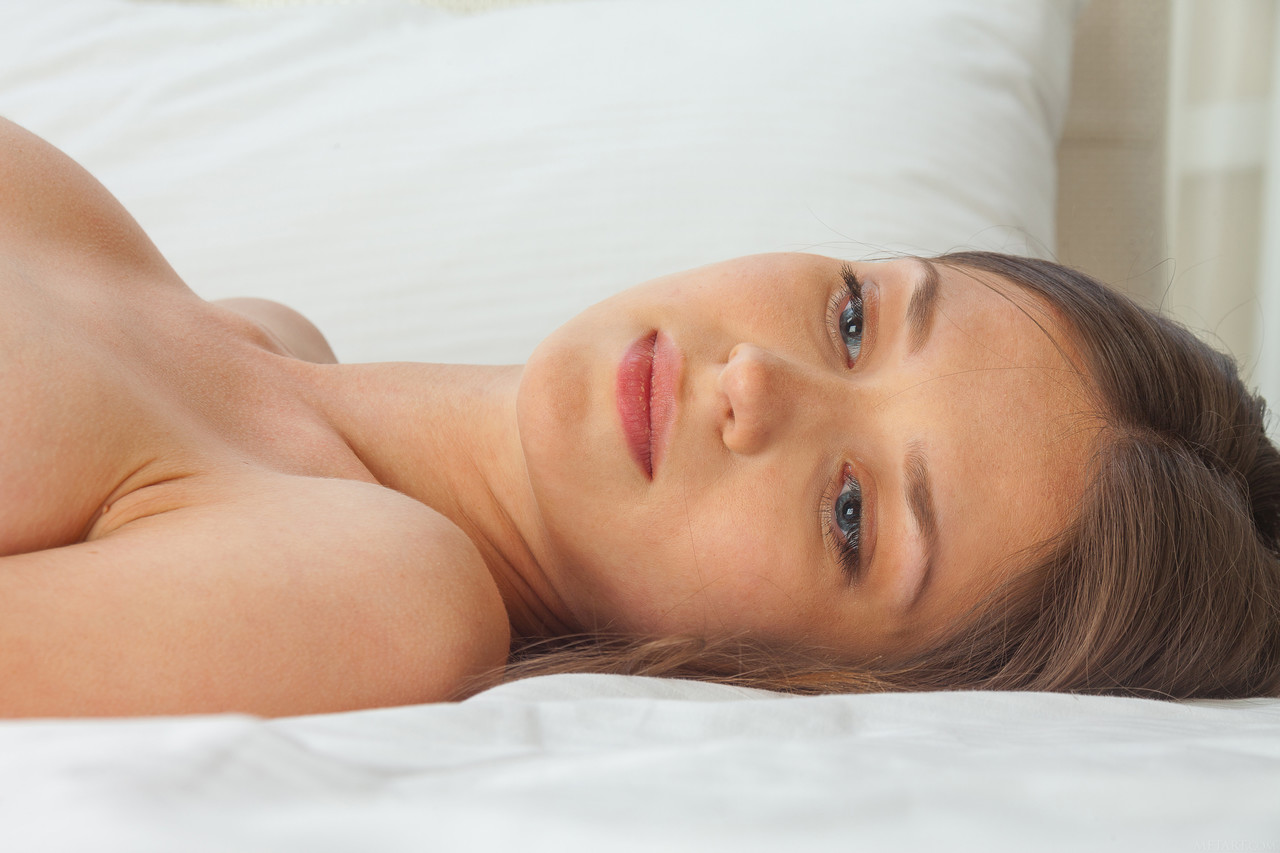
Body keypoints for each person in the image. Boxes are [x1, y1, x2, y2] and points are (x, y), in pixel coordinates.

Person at [1, 116, 1277, 719]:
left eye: (851, 515)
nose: (757, 385)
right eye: (852, 318)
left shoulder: (380, 590)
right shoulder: (263, 338)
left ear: (798, 674)